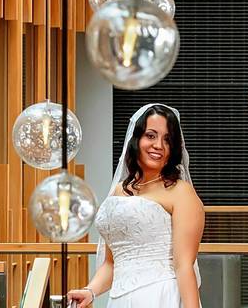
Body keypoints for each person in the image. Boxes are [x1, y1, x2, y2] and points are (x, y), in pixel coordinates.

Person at [67, 103, 204, 307]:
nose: (158, 145)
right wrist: (91, 291)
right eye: (151, 135)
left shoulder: (180, 192)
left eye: (167, 139)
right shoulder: (119, 190)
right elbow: (113, 263)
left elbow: (184, 265)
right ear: (136, 139)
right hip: (120, 299)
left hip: (161, 295)